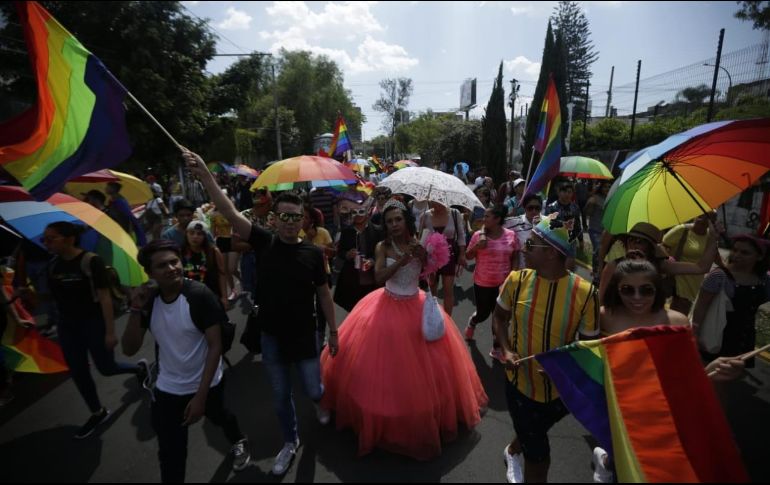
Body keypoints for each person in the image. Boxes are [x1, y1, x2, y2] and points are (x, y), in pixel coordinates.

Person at [183, 148, 338, 476]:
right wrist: (207, 176)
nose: (290, 222)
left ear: (303, 219)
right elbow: (228, 210)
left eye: (296, 217)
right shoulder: (263, 242)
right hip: (271, 337)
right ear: (274, 219)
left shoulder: (313, 254)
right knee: (281, 397)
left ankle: (321, 402)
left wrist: (333, 331)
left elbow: (324, 294)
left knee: (313, 389)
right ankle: (290, 442)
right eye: (285, 217)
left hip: (304, 336)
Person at [319, 199, 488, 460]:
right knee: (383, 366)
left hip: (415, 304)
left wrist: (426, 258)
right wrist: (402, 260)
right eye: (389, 221)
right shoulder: (382, 246)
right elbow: (378, 277)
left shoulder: (420, 242)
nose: (394, 224)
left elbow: (429, 275)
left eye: (398, 219)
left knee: (423, 368)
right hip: (385, 305)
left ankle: (422, 413)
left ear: (406, 221)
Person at [593, 254, 745, 483]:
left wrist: (714, 370)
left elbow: (687, 372)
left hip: (662, 402)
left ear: (658, 289)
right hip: (619, 400)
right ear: (617, 289)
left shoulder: (677, 322)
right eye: (627, 290)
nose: (637, 297)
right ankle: (605, 462)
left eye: (646, 290)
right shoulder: (604, 316)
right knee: (622, 454)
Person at [122, 240, 250, 482]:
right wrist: (136, 309)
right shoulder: (149, 301)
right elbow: (129, 349)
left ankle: (238, 440)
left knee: (220, 416)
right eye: (162, 265)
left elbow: (215, 346)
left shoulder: (199, 295)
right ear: (149, 272)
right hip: (168, 389)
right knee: (171, 455)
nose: (171, 268)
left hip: (207, 384)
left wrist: (200, 397)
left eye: (174, 262)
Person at [492, 213, 599, 483]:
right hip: (520, 386)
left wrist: (565, 368)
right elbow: (499, 318)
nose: (523, 248)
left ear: (551, 253)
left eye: (531, 244)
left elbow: (587, 347)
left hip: (561, 394)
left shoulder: (587, 293)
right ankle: (521, 450)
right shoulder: (516, 280)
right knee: (539, 456)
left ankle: (514, 448)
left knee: (533, 430)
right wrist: (506, 350)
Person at [43, 221, 148, 439]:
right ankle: (97, 412)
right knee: (78, 371)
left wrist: (110, 332)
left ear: (70, 239)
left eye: (52, 238)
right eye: (46, 239)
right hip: (67, 326)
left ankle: (139, 369)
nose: (47, 243)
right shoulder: (52, 265)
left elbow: (104, 297)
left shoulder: (91, 261)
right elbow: (51, 298)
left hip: (93, 323)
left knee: (107, 368)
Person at [693, 234, 770, 367]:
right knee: (708, 373)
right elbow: (700, 307)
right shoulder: (719, 276)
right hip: (715, 335)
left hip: (743, 337)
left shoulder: (763, 279)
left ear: (759, 257)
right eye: (735, 250)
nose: (737, 255)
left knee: (733, 373)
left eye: (745, 252)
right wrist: (694, 333)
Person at [597, 221, 719, 305]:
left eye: (639, 241)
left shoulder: (659, 266)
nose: (633, 244)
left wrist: (713, 238)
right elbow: (601, 301)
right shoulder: (614, 266)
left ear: (650, 247)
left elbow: (701, 268)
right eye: (631, 240)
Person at [464, 204, 520, 361]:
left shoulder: (511, 235)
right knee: (483, 314)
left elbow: (515, 255)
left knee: (500, 317)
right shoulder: (478, 235)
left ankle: (497, 348)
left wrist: (513, 274)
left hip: (503, 284)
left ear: (497, 219)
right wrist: (477, 246)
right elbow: (467, 256)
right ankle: (473, 322)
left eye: (487, 216)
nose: (483, 219)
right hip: (482, 282)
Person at [662, 212, 719, 315]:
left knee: (681, 312)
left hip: (693, 279)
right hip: (675, 274)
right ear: (695, 217)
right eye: (700, 216)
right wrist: (669, 260)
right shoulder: (682, 229)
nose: (702, 220)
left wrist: (728, 271)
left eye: (707, 219)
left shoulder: (710, 237)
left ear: (712, 223)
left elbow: (715, 257)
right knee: (664, 307)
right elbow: (663, 246)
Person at [333, 200, 383, 312]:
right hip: (352, 278)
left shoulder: (377, 230)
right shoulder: (347, 231)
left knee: (371, 309)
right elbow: (340, 252)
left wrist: (373, 261)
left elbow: (383, 252)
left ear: (367, 212)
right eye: (354, 212)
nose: (358, 215)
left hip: (371, 278)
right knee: (354, 308)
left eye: (361, 211)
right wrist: (347, 254)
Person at [421, 201, 467, 316]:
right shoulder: (425, 215)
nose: (436, 205)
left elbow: (461, 235)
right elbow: (420, 236)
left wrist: (462, 254)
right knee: (432, 289)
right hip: (431, 257)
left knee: (448, 290)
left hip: (449, 256)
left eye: (439, 203)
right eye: (433, 202)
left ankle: (447, 320)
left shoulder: (455, 213)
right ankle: (433, 316)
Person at [180, 220, 228, 310]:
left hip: (211, 296)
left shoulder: (213, 251)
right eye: (191, 233)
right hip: (188, 299)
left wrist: (224, 297)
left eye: (199, 234)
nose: (195, 236)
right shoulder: (180, 252)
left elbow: (221, 274)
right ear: (186, 234)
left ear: (205, 236)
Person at [544, 182, 584, 270]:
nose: (567, 194)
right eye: (564, 191)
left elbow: (577, 224)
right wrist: (562, 224)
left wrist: (581, 240)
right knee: (554, 268)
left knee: (569, 269)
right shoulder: (551, 207)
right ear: (559, 192)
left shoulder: (575, 208)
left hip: (570, 241)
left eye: (569, 192)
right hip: (554, 241)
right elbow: (547, 223)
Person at [504, 193, 543, 269]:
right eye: (530, 208)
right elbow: (493, 224)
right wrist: (482, 232)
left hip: (542, 271)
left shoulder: (547, 223)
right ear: (524, 208)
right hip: (522, 270)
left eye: (537, 208)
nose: (534, 211)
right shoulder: (515, 222)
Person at [583, 181, 610, 281]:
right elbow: (586, 212)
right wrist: (590, 203)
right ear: (601, 188)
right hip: (594, 229)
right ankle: (596, 271)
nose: (607, 189)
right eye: (605, 187)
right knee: (598, 249)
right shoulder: (595, 198)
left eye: (609, 187)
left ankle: (599, 270)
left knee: (604, 251)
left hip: (605, 230)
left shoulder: (610, 199)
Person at [105, 182, 147, 247]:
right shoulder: (112, 200)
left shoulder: (120, 201)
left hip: (125, 229)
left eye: (108, 187)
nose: (105, 188)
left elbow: (128, 216)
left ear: (114, 189)